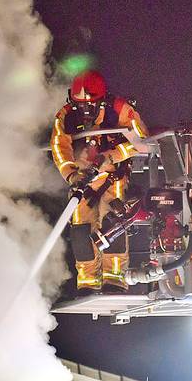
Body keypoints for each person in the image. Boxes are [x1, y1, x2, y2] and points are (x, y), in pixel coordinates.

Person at [50, 70, 148, 292]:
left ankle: (114, 278)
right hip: (82, 180)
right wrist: (71, 174)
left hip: (113, 177)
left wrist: (112, 155)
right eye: (79, 106)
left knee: (112, 224)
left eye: (90, 106)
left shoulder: (120, 110)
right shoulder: (65, 115)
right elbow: (59, 146)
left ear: (102, 100)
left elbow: (142, 139)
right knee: (80, 229)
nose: (85, 112)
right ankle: (87, 282)